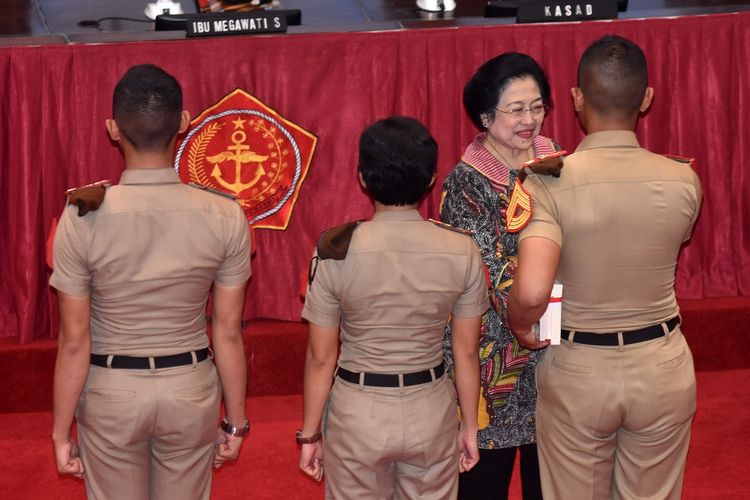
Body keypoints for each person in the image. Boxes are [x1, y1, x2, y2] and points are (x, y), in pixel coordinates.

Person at [507, 35, 702, 500]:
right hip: (662, 363)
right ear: (647, 98)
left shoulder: (547, 181)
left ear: (576, 99)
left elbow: (533, 293)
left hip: (580, 370)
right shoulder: (684, 179)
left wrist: (520, 325)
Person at [50, 64, 252, 500]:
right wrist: (235, 421)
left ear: (112, 128)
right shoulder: (225, 214)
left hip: (112, 393)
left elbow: (73, 340)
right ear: (183, 122)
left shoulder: (81, 217)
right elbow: (228, 332)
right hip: (190, 389)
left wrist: (60, 431)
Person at [298, 116, 488, 499]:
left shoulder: (336, 250)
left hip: (358, 411)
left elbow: (321, 359)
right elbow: (465, 351)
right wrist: (469, 426)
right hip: (430, 409)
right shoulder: (460, 249)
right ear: (431, 179)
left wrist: (310, 432)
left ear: (363, 178)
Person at [440, 52, 561, 500]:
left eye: (538, 106)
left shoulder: (557, 160)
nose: (530, 120)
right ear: (486, 117)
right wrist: (532, 316)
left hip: (553, 344)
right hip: (491, 360)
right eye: (516, 109)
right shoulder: (467, 182)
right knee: (483, 484)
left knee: (548, 481)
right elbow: (488, 272)